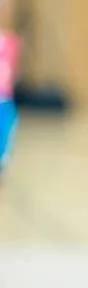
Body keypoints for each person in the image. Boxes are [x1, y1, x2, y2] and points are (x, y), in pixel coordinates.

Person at [0, 10, 20, 182]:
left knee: (7, 126)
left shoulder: (11, 42)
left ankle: (3, 160)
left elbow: (13, 72)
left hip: (5, 98)